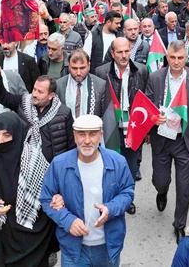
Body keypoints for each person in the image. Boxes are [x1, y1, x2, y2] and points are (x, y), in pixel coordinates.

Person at [40, 114, 135, 267]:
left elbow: (127, 192)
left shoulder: (117, 162)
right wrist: (68, 220)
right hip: (73, 250)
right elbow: (46, 198)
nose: (87, 141)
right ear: (74, 136)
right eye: (81, 134)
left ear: (100, 136)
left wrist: (110, 209)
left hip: (107, 248)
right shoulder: (59, 164)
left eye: (92, 134)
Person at [0, 112, 57, 266]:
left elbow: (49, 194)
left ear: (17, 135)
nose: (0, 141)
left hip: (30, 241)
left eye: (7, 135)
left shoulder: (33, 158)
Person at [146, 40, 189, 242]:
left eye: (180, 58)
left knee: (184, 188)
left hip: (185, 140)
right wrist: (154, 118)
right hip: (162, 139)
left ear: (186, 57)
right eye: (172, 57)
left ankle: (179, 225)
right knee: (160, 180)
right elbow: (147, 106)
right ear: (167, 57)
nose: (176, 61)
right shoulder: (155, 77)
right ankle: (162, 191)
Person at [96, 38, 150, 189]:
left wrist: (146, 129)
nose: (124, 55)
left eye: (127, 51)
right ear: (112, 53)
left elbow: (146, 100)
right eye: (120, 52)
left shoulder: (141, 70)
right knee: (110, 166)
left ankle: (128, 196)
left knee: (130, 167)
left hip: (133, 127)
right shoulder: (101, 72)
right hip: (111, 127)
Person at [0, 72, 75, 163]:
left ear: (51, 96)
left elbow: (72, 146)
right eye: (34, 89)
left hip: (53, 166)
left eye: (40, 92)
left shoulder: (64, 113)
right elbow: (2, 96)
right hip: (24, 164)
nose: (34, 94)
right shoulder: (23, 103)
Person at [56, 49, 106, 129]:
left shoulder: (100, 85)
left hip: (91, 131)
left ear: (89, 66)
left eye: (82, 68)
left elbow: (105, 116)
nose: (78, 73)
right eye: (74, 68)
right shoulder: (59, 85)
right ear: (68, 66)